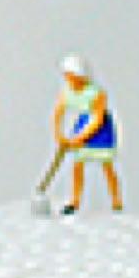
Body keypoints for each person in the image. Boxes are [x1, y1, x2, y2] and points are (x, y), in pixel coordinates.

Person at [52, 55, 123, 214]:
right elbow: (58, 113)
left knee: (106, 166)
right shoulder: (67, 92)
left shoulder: (96, 93)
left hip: (100, 132)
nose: (68, 79)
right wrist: (58, 135)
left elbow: (97, 119)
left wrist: (80, 138)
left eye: (71, 75)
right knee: (77, 165)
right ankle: (74, 201)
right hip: (83, 124)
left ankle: (116, 202)